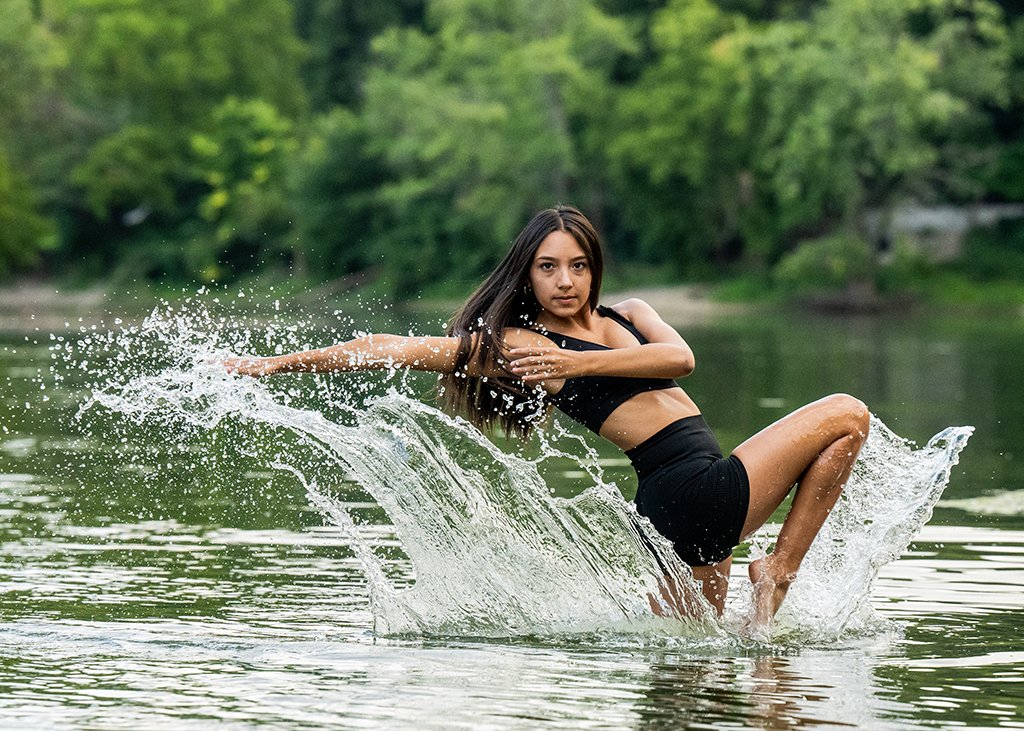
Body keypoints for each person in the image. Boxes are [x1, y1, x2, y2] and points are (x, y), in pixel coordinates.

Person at [223, 205, 869, 632]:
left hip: (674, 507)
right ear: (527, 275)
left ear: (594, 268)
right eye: (549, 267)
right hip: (688, 490)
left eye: (578, 265)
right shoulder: (520, 347)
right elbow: (390, 349)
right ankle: (778, 569)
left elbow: (682, 357)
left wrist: (577, 364)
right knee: (848, 413)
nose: (566, 281)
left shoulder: (632, 314)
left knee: (687, 669)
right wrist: (275, 365)